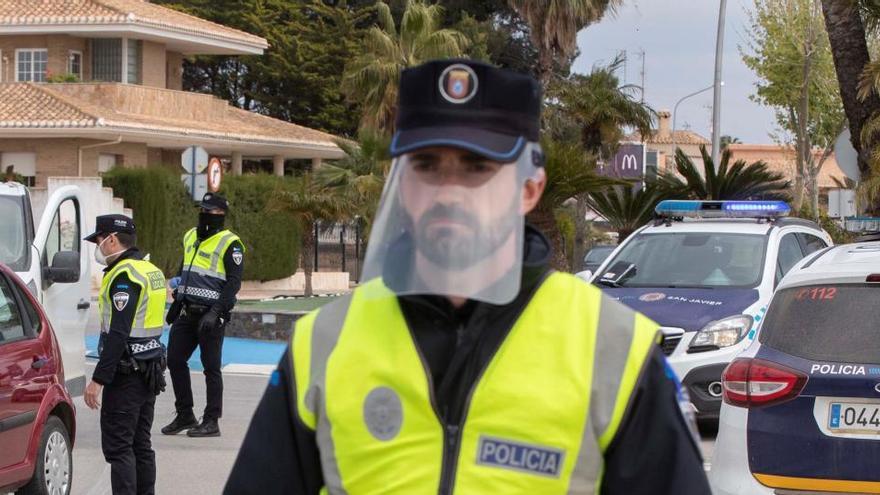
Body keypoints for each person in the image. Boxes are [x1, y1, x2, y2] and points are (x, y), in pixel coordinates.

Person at [225, 59, 710, 494]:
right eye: (426, 165)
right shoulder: (323, 343)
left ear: (529, 188)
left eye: (477, 167)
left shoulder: (613, 347)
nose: (449, 191)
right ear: (402, 179)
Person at [83, 214, 166, 495]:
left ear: (112, 240)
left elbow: (118, 333)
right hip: (149, 368)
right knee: (140, 444)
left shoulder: (125, 276)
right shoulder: (149, 270)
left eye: (98, 239)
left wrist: (98, 380)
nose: (97, 245)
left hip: (126, 372)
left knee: (119, 449)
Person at [162, 193, 244, 438]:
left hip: (211, 316)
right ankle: (185, 414)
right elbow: (185, 269)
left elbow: (233, 283)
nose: (205, 214)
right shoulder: (190, 236)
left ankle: (211, 420)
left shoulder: (231, 243)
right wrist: (177, 295)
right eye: (203, 209)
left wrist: (217, 311)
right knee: (175, 360)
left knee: (211, 368)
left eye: (211, 211)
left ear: (222, 215)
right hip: (187, 312)